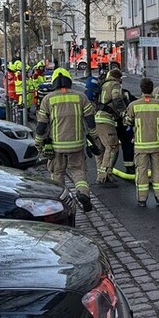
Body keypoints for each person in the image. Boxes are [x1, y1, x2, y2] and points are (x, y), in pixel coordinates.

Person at [35, 68, 103, 213]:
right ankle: (83, 193)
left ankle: (59, 205)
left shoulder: (48, 99)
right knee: (79, 172)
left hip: (56, 146)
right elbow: (90, 121)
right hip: (77, 144)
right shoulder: (81, 97)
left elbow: (41, 126)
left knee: (57, 174)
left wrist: (38, 143)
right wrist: (94, 138)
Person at [125, 77, 159, 207]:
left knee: (141, 172)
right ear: (152, 89)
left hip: (141, 146)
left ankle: (142, 200)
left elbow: (127, 122)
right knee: (158, 171)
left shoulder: (134, 105)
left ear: (141, 89)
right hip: (157, 145)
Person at [94, 68, 127, 185]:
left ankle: (100, 175)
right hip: (106, 120)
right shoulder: (115, 84)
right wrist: (124, 112)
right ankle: (105, 176)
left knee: (101, 149)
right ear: (118, 77)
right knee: (112, 147)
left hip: (97, 118)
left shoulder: (102, 84)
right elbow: (117, 99)